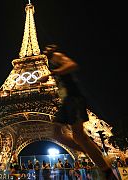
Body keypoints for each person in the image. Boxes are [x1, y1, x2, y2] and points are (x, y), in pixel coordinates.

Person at [39, 44, 118, 179]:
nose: (45, 51)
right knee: (58, 135)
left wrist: (52, 73)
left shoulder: (57, 57)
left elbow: (72, 65)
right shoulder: (51, 64)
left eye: (47, 49)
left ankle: (106, 170)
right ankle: (95, 154)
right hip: (66, 102)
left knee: (78, 137)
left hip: (73, 99)